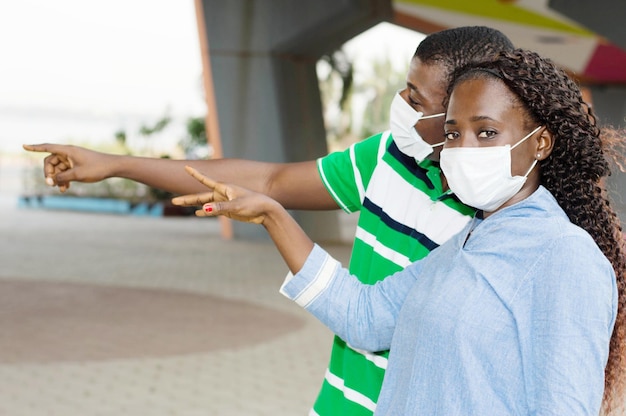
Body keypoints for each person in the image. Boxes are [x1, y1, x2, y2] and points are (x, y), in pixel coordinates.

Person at [24, 27, 515, 415]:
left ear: (464, 110)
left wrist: (275, 221)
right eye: (404, 91)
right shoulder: (387, 157)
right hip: (338, 404)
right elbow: (272, 180)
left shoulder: (505, 217)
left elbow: (374, 323)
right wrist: (115, 164)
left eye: (416, 100)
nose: (401, 107)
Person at [175, 48, 626, 415]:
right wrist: (273, 216)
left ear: (541, 142)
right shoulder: (467, 242)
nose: (464, 149)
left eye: (486, 133)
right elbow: (365, 318)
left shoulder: (564, 257)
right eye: (452, 134)